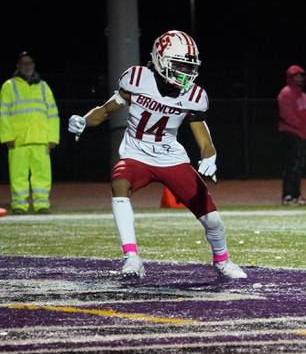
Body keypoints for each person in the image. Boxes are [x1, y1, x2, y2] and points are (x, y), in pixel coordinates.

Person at [67, 30, 246, 280]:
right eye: (179, 65)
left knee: (212, 218)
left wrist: (209, 157)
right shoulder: (137, 79)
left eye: (189, 66)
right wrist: (84, 121)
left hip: (170, 156)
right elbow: (107, 109)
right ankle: (131, 257)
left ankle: (222, 260)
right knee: (119, 182)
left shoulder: (194, 95)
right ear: (161, 60)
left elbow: (203, 139)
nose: (185, 72)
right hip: (136, 152)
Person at [0, 52, 59, 214]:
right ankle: (19, 205)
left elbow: (52, 114)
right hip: (18, 140)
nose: (27, 66)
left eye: (29, 63)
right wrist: (7, 137)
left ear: (33, 66)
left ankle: (42, 205)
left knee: (42, 175)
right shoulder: (9, 86)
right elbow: (3, 114)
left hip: (41, 140)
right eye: (23, 63)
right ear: (18, 66)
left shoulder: (43, 87)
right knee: (18, 175)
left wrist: (53, 137)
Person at [277, 64, 306, 206]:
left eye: (301, 76)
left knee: (299, 166)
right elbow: (287, 115)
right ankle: (288, 195)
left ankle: (296, 195)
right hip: (291, 133)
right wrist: (302, 129)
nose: (299, 79)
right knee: (291, 165)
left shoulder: (303, 95)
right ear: (290, 77)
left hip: (303, 135)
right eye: (296, 76)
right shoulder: (285, 93)